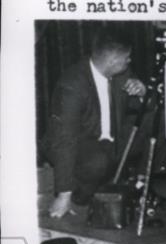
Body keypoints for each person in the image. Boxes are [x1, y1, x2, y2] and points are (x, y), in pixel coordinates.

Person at [43, 29, 148, 218]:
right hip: (81, 142)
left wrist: (142, 93)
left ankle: (141, 184)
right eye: (127, 58)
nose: (130, 61)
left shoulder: (123, 74)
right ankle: (80, 198)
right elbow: (65, 139)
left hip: (111, 138)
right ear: (112, 62)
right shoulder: (72, 85)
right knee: (97, 162)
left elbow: (137, 108)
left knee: (163, 122)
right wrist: (63, 195)